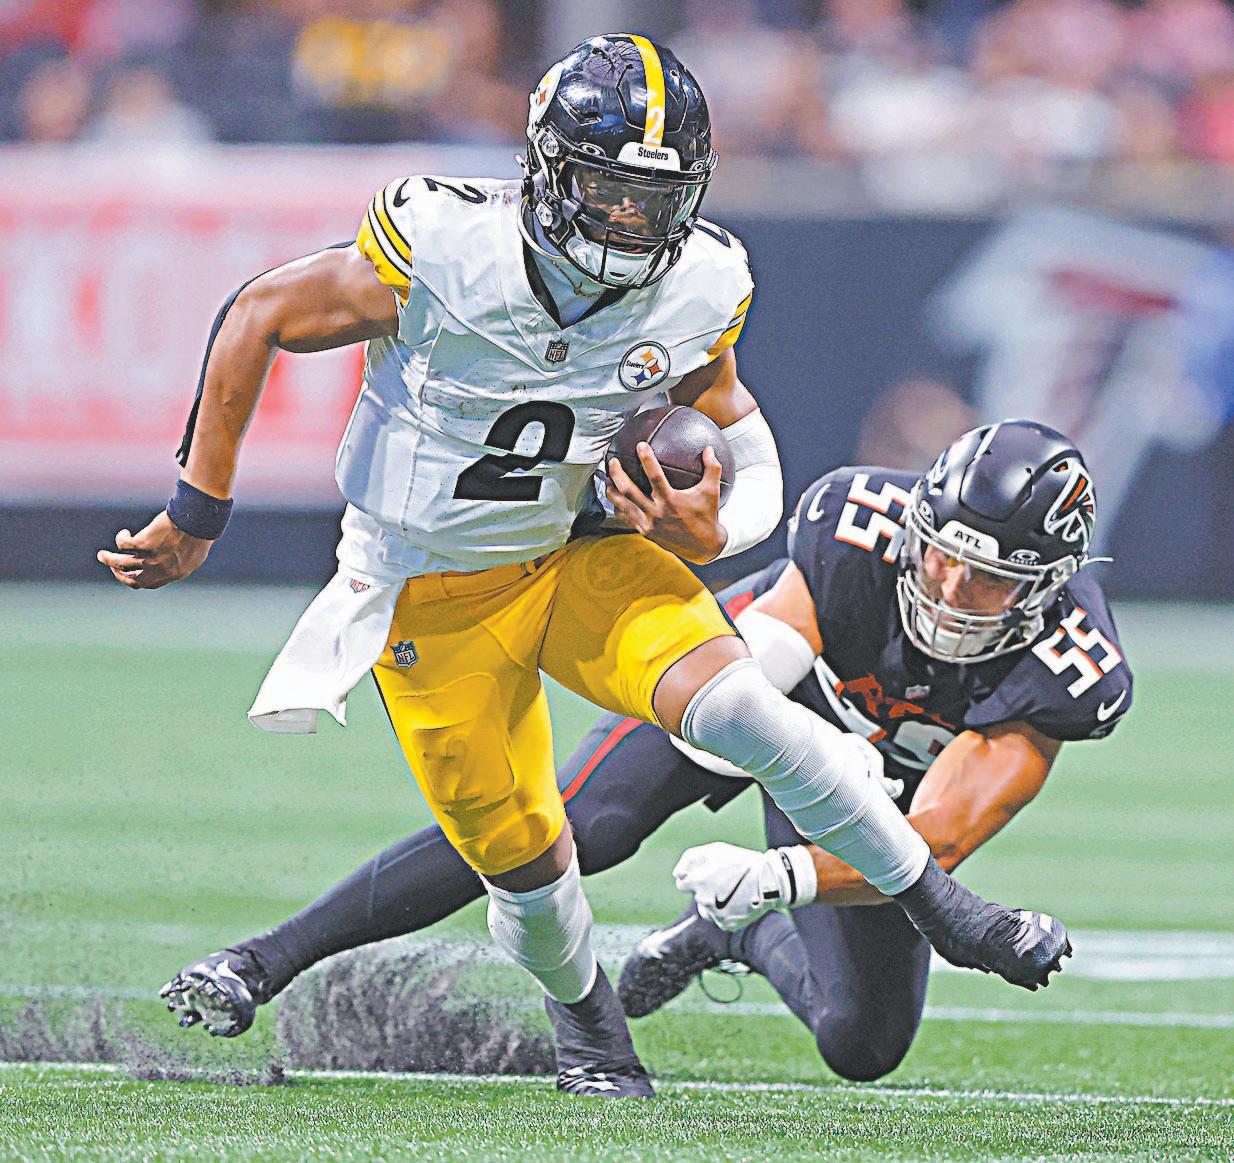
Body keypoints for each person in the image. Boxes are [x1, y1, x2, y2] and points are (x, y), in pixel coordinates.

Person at [98, 35, 1068, 1098]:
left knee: (746, 707)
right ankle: (592, 1031)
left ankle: (946, 911)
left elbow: (742, 434)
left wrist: (713, 532)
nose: (629, 220)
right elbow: (260, 314)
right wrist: (197, 509)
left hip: (577, 554)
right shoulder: (447, 248)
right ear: (549, 169)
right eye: (608, 189)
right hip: (428, 586)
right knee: (524, 864)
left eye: (656, 199)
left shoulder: (697, 283)